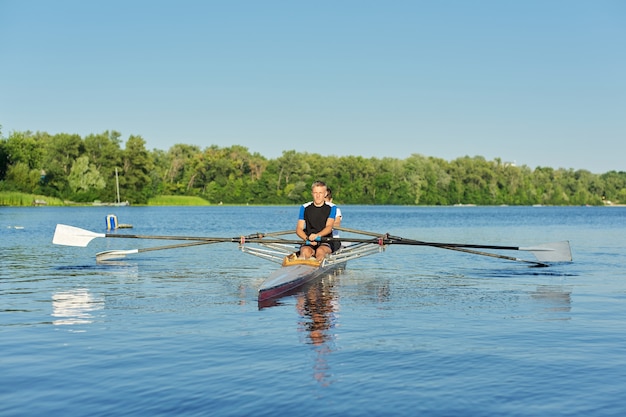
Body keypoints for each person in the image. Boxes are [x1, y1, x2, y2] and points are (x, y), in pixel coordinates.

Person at [296, 181, 341, 261]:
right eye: (315, 193)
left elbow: (329, 227)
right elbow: (299, 229)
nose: (318, 195)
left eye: (320, 193)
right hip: (309, 240)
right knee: (305, 251)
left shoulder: (332, 208)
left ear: (325, 193)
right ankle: (302, 267)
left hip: (325, 240)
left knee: (320, 251)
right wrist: (307, 239)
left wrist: (317, 235)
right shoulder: (304, 207)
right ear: (312, 193)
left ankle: (317, 267)